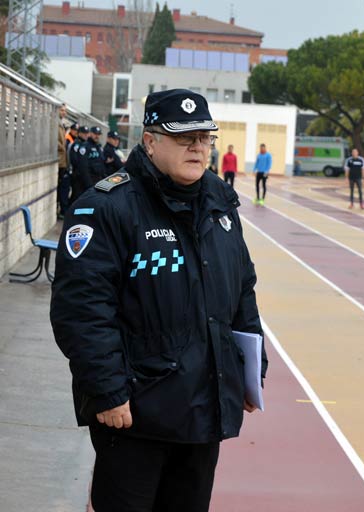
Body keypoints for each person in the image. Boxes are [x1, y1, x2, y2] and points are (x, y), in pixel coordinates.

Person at [50, 88, 267, 512]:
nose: (198, 147)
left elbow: (243, 291)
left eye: (204, 138)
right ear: (150, 141)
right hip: (135, 416)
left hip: (204, 410)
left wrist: (249, 370)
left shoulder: (221, 206)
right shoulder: (107, 208)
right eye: (184, 138)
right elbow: (82, 310)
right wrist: (108, 391)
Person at [69, 126, 91, 203]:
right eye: (84, 133)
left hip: (83, 174)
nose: (86, 135)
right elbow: (74, 160)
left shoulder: (86, 144)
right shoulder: (76, 144)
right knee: (76, 195)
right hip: (77, 175)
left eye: (87, 133)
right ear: (79, 133)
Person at [57, 104, 70, 218]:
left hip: (62, 161)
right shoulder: (54, 123)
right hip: (58, 160)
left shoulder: (61, 124)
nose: (64, 113)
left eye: (65, 111)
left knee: (62, 186)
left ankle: (60, 210)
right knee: (60, 186)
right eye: (62, 110)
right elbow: (53, 139)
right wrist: (62, 147)